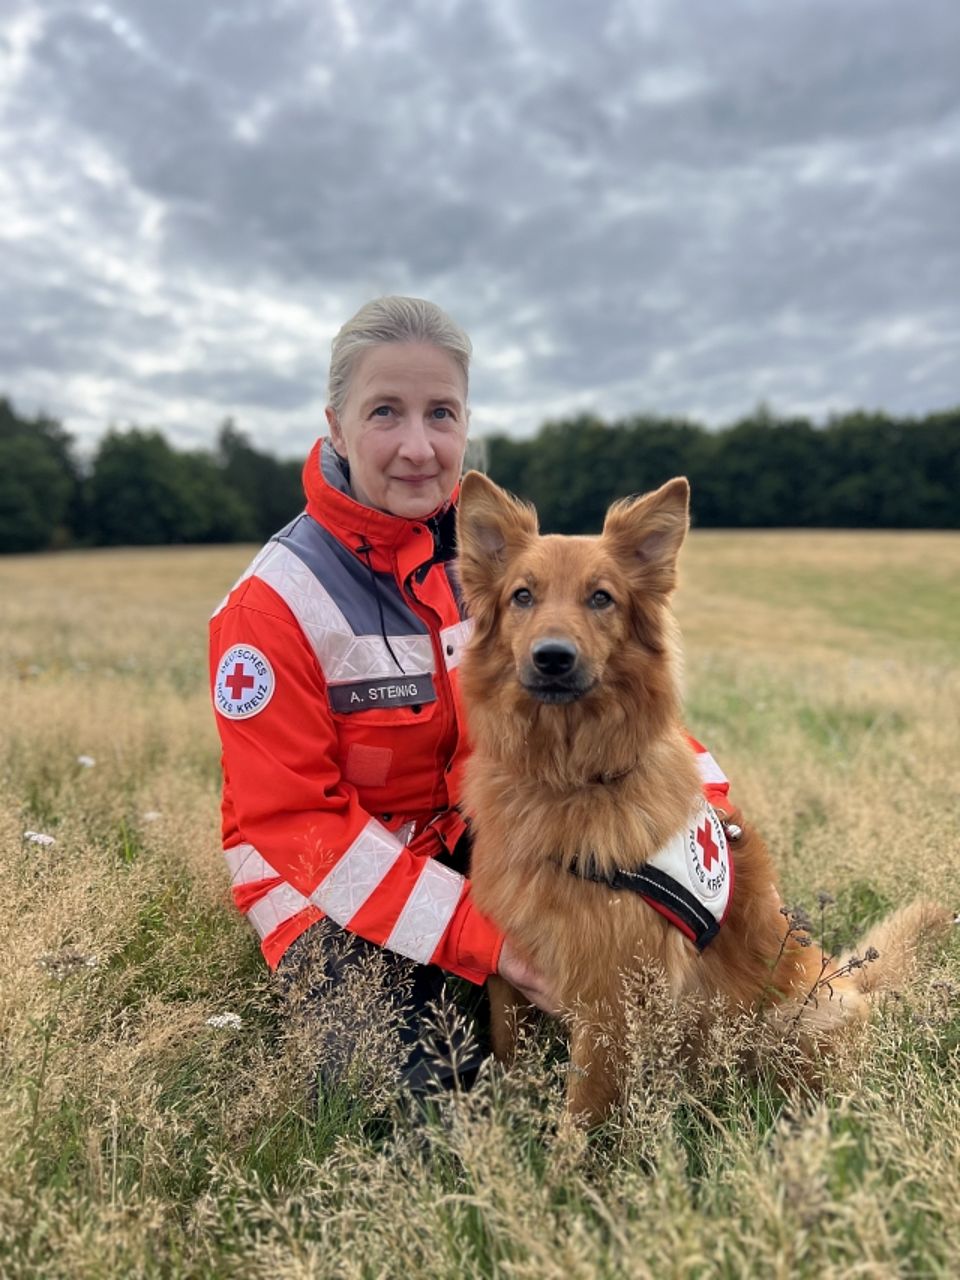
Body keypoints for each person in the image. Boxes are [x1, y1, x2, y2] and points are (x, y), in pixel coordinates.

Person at [209, 296, 730, 1096]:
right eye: (386, 412)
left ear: (465, 425)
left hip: (473, 841)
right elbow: (297, 825)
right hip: (327, 887)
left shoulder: (491, 555)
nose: (419, 447)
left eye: (440, 414)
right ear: (336, 427)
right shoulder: (271, 607)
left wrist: (706, 803)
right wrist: (487, 940)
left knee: (650, 968)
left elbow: (603, 711)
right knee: (430, 1108)